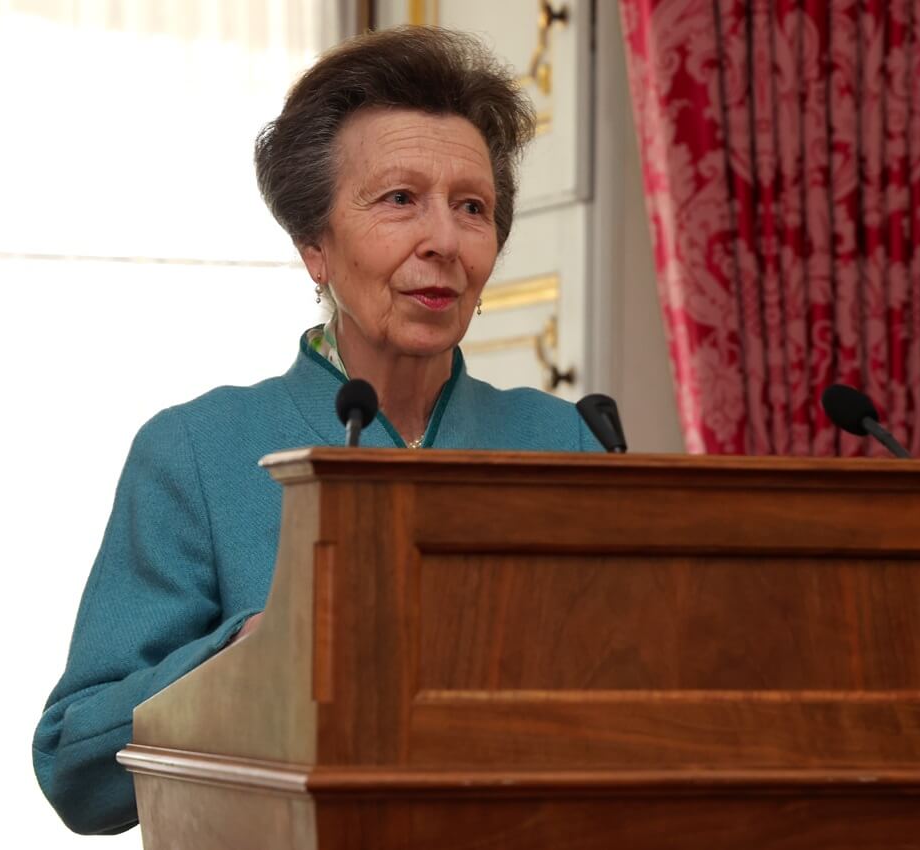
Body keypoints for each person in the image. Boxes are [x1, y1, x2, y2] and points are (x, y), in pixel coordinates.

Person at [32, 25, 603, 835]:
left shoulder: (562, 442)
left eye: (471, 207)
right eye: (400, 200)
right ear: (315, 248)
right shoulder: (196, 450)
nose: (442, 240)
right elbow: (75, 773)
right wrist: (252, 650)